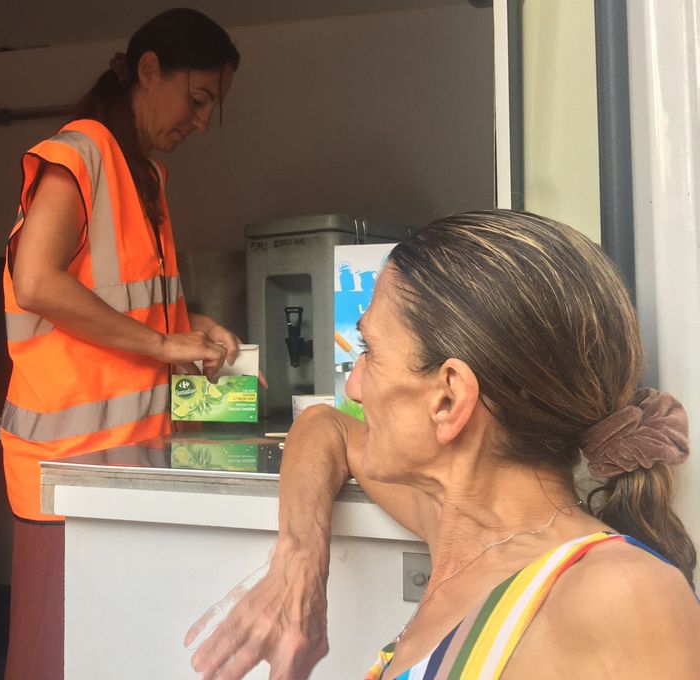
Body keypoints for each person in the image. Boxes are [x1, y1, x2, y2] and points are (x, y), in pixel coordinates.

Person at [186, 210, 699, 679]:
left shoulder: (619, 597)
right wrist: (298, 561)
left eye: (369, 351)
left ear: (449, 399)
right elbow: (324, 427)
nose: (355, 386)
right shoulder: (465, 527)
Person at [0, 8, 242, 678]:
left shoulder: (147, 176)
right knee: (55, 661)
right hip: (66, 476)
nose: (199, 122)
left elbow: (130, 306)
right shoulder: (78, 153)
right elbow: (38, 282)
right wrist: (165, 347)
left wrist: (189, 333)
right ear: (148, 70)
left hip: (127, 472)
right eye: (197, 101)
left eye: (210, 110)